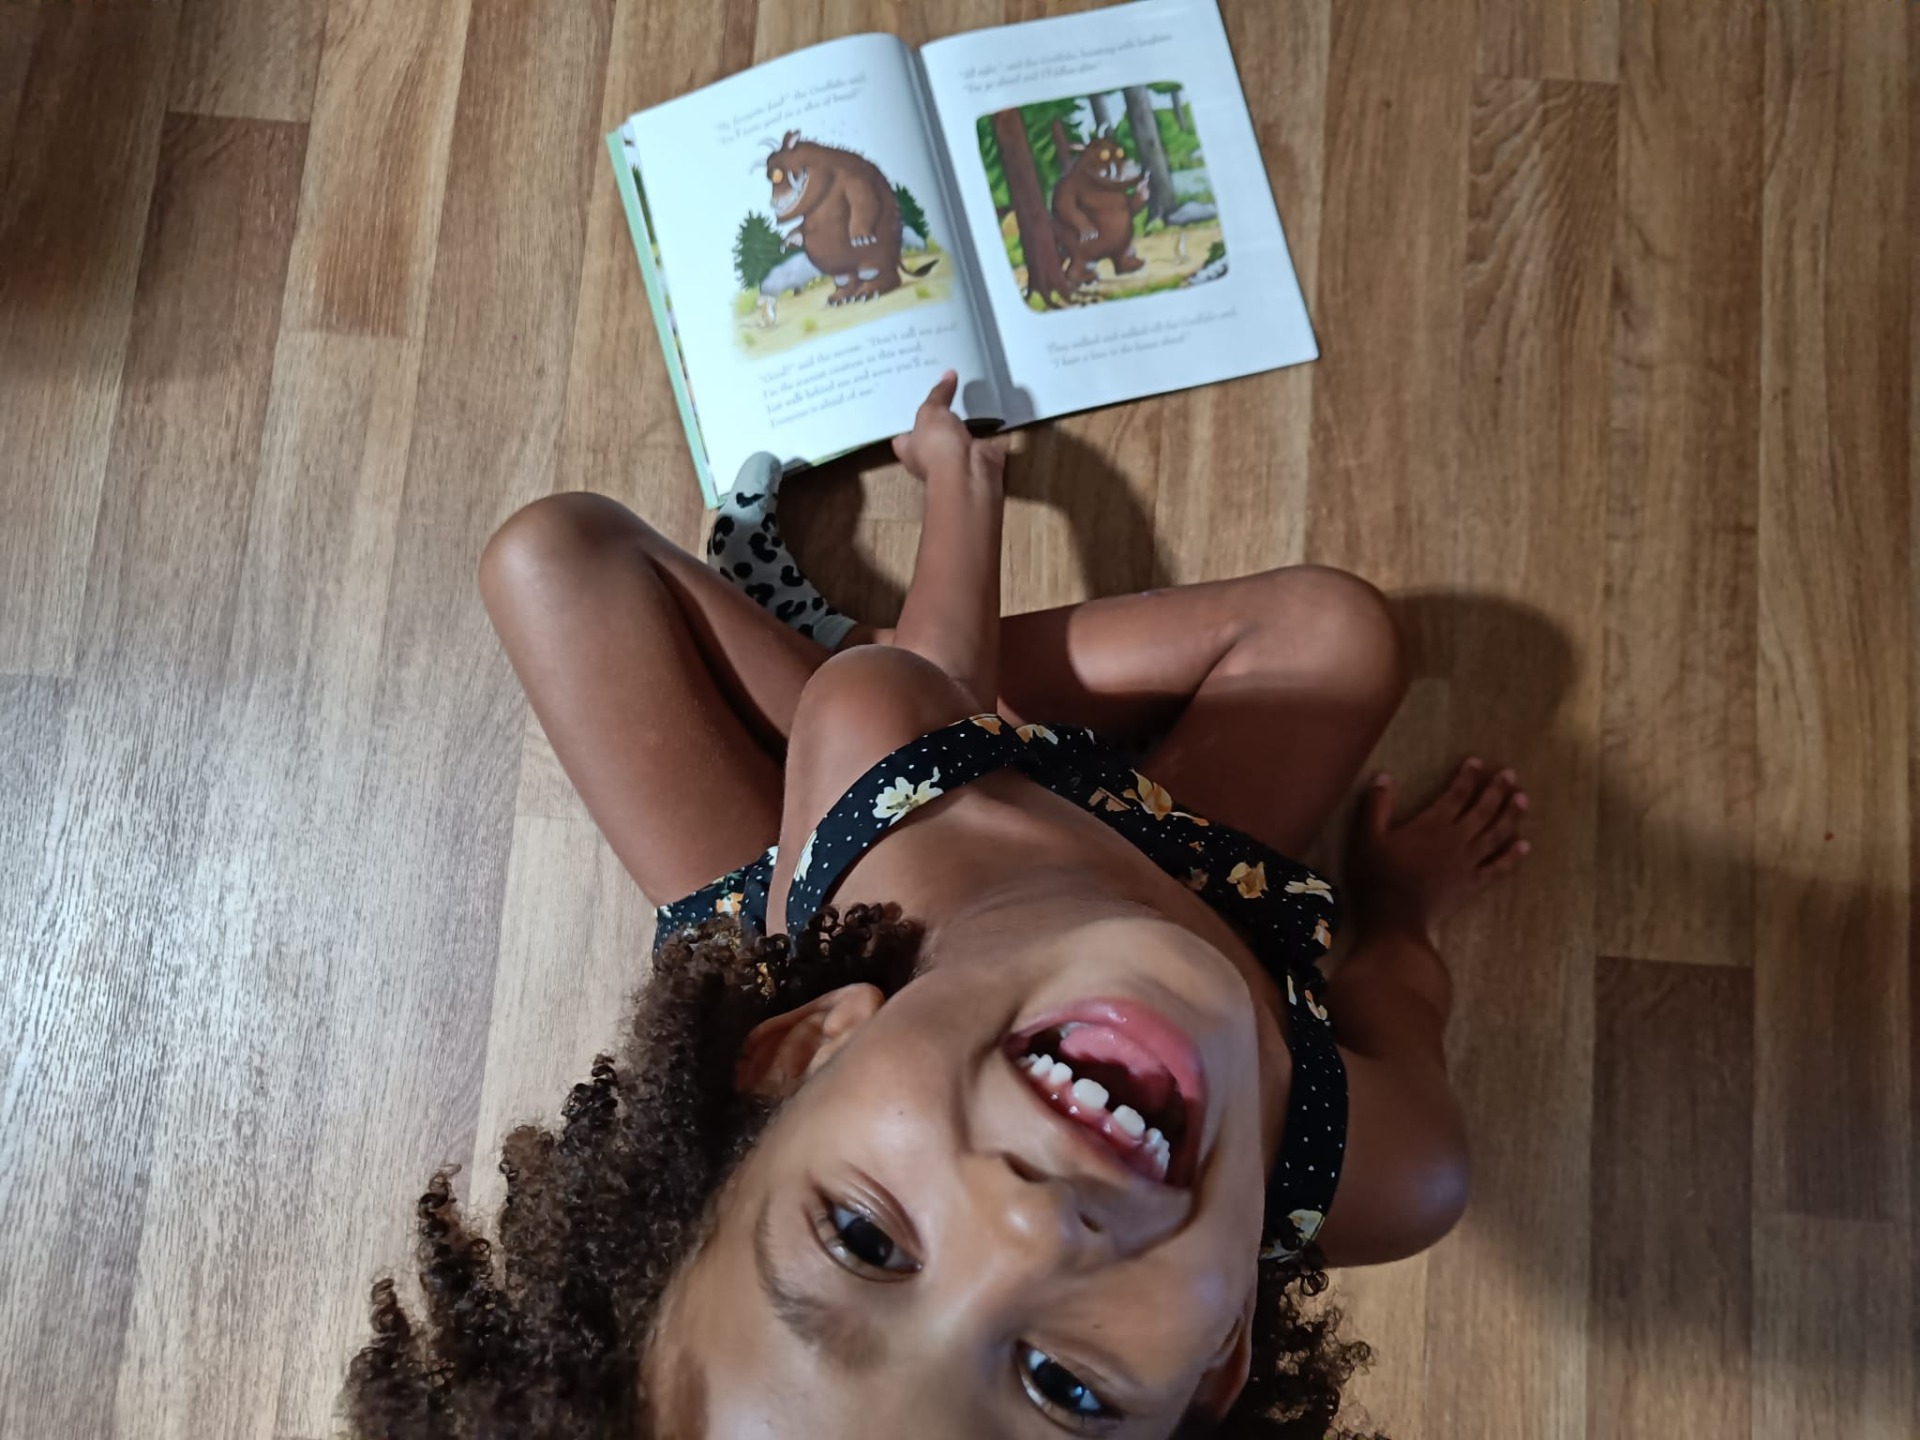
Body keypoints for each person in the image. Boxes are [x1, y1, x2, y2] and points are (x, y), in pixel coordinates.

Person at [345, 373, 1529, 1438]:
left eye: (863, 1239)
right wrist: (1402, 909)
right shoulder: (1388, 1167)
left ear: (809, 1043)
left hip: (870, 842)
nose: (1032, 1231)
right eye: (1069, 1390)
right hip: (1165, 858)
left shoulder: (880, 807)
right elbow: (1398, 995)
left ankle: (852, 656)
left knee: (556, 555)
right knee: (1342, 634)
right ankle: (848, 652)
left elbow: (929, 689)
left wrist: (964, 489)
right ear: (1219, 1365)